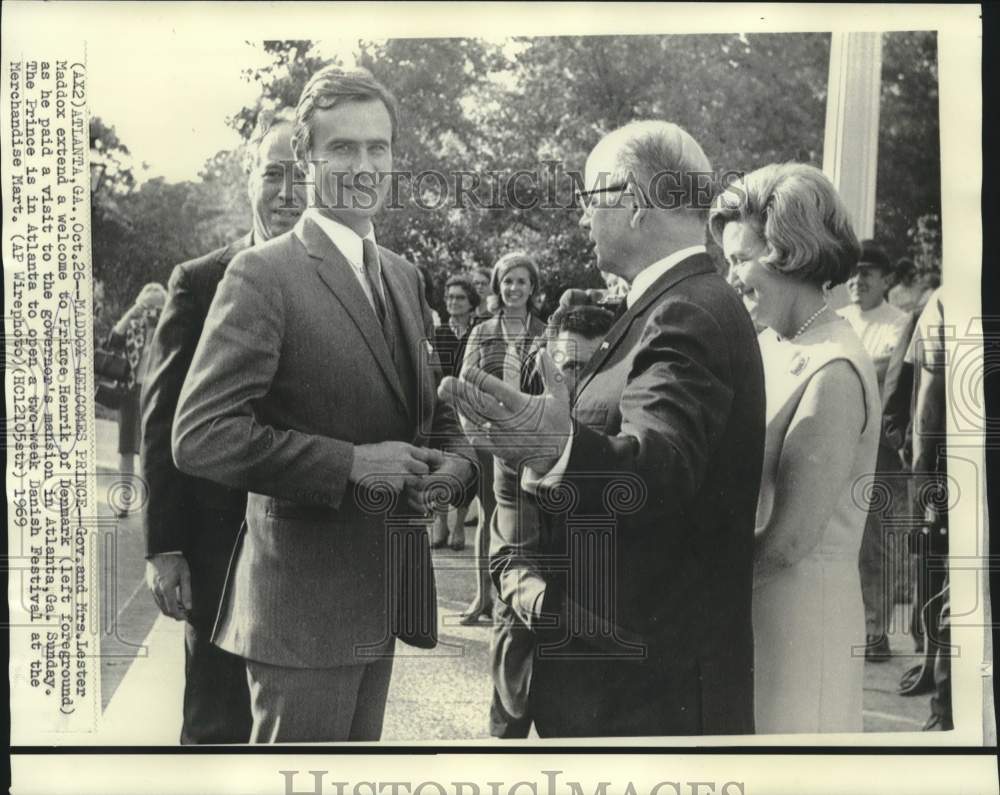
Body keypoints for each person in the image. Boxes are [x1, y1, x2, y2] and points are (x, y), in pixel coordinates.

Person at [172, 66, 473, 743]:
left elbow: (434, 417)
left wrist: (453, 472)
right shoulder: (263, 273)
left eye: (379, 147)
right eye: (342, 148)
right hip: (299, 622)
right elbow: (200, 434)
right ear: (306, 158)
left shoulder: (401, 274)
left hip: (382, 600)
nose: (364, 165)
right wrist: (350, 464)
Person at [443, 120, 765, 737]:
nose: (583, 220)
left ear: (637, 202)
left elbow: (660, 469)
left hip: (644, 692)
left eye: (591, 199)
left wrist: (558, 448)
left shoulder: (684, 312)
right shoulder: (675, 303)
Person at [138, 107, 305, 744]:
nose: (289, 193)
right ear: (248, 178)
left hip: (310, 551)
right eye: (273, 174)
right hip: (219, 549)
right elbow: (161, 424)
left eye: (302, 175)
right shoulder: (201, 282)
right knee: (217, 724)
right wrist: (165, 546)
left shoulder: (344, 281)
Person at [709, 162, 879, 733]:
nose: (730, 276)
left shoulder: (833, 367)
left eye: (740, 259)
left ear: (788, 252)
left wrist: (691, 596)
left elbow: (789, 542)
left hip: (803, 620)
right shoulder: (772, 344)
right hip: (758, 610)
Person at [488, 302, 616, 738]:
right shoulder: (521, 439)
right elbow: (511, 554)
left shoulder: (627, 440)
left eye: (592, 368)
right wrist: (557, 612)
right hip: (526, 641)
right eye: (564, 368)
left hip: (601, 662)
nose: (575, 384)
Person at [457, 252, 547, 625]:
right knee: (490, 518)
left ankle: (520, 598)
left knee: (529, 516)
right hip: (489, 437)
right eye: (508, 281)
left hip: (531, 436)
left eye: (522, 281)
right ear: (498, 286)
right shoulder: (482, 331)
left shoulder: (546, 331)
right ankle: (482, 596)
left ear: (532, 288)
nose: (514, 288)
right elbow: (464, 385)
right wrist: (476, 432)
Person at [838, 241, 913, 661]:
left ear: (887, 280)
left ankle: (874, 630)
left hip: (878, 447)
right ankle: (840, 624)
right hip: (835, 440)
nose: (858, 280)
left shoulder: (900, 324)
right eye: (852, 272)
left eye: (867, 272)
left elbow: (898, 390)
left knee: (874, 540)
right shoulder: (837, 320)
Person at [895, 288, 951, 730]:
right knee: (933, 570)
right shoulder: (939, 301)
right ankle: (931, 663)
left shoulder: (946, 298)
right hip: (949, 464)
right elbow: (915, 383)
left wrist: (921, 466)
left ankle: (946, 703)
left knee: (947, 579)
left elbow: (930, 390)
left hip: (954, 462)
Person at [429, 274, 482, 549]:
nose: (453, 302)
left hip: (471, 407)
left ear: (471, 301)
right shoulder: (438, 334)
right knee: (440, 461)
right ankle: (440, 521)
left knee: (470, 461)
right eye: (449, 297)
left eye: (460, 297)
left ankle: (460, 524)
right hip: (443, 407)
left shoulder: (480, 331)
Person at [111, 282, 167, 495]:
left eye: (158, 309)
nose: (152, 314)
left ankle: (148, 503)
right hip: (131, 392)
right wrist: (135, 311)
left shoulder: (169, 330)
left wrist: (167, 316)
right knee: (126, 449)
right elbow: (114, 339)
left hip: (156, 395)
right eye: (149, 308)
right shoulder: (134, 328)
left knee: (150, 452)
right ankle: (124, 498)